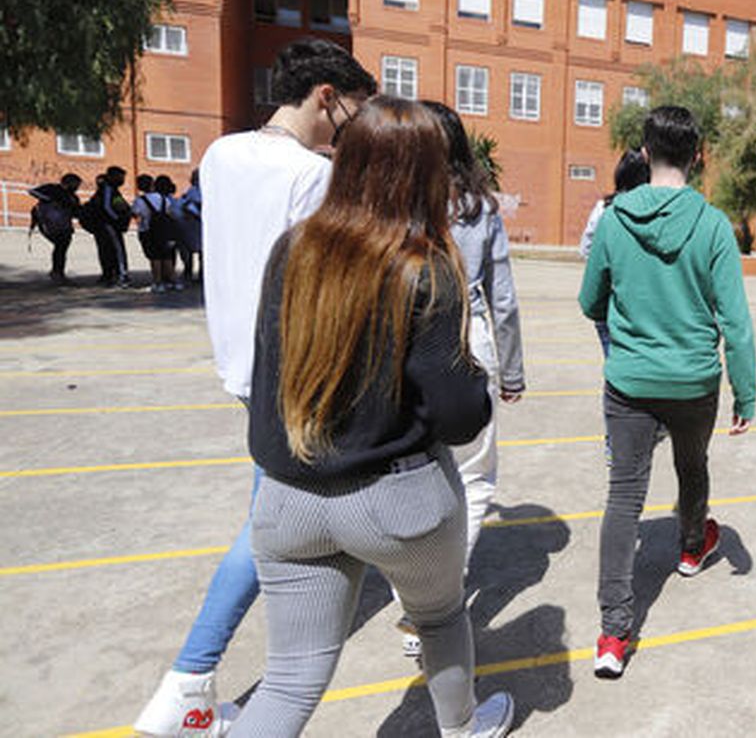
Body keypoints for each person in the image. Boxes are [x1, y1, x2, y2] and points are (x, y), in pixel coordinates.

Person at [229, 97, 512, 738]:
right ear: (424, 176)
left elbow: (272, 367)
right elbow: (460, 415)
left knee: (289, 679)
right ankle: (463, 727)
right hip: (397, 502)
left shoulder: (292, 250)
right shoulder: (424, 267)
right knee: (439, 618)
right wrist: (474, 375)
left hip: (289, 498)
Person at [133, 37, 376, 738]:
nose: (353, 130)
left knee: (272, 516)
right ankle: (189, 678)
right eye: (352, 113)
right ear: (325, 97)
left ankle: (197, 680)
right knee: (268, 526)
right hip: (294, 370)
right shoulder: (311, 177)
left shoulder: (221, 154)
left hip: (236, 360)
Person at [579, 106, 756, 679]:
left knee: (623, 497)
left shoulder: (612, 220)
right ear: (699, 156)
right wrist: (746, 394)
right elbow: (736, 322)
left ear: (643, 151)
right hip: (694, 381)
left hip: (629, 379)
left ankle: (612, 633)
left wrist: (628, 319)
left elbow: (589, 301)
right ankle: (690, 545)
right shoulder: (712, 226)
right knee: (691, 464)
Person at [381, 101, 527, 657]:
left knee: (405, 470)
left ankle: (411, 597)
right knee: (474, 480)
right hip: (466, 339)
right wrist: (512, 371)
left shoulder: (389, 202)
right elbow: (504, 300)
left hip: (397, 342)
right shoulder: (477, 208)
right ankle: (431, 609)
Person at [579, 148, 651, 356]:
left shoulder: (605, 208)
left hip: (611, 304)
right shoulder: (656, 212)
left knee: (615, 369)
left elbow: (585, 247)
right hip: (644, 305)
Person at [28, 172, 83, 284]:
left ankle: (58, 272)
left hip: (64, 225)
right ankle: (57, 272)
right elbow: (32, 191)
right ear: (67, 182)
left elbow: (77, 212)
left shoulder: (73, 197)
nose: (77, 187)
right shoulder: (52, 189)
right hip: (48, 223)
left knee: (62, 247)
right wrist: (51, 200)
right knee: (60, 246)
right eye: (75, 184)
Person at [133, 174, 182, 292]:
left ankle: (158, 282)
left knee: (154, 258)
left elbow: (136, 214)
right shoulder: (163, 199)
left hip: (148, 231)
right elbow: (170, 212)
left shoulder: (140, 200)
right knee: (167, 257)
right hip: (164, 232)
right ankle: (174, 281)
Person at [85, 166, 133, 287]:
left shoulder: (106, 189)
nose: (122, 180)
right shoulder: (108, 189)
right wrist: (117, 219)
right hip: (109, 225)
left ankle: (108, 275)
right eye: (120, 177)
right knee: (117, 250)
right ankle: (121, 276)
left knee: (105, 250)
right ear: (112, 176)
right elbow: (107, 207)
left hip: (103, 225)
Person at [178, 169, 203, 284]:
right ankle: (200, 274)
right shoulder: (195, 190)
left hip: (193, 223)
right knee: (199, 251)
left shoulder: (192, 191)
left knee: (190, 251)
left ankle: (190, 273)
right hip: (196, 223)